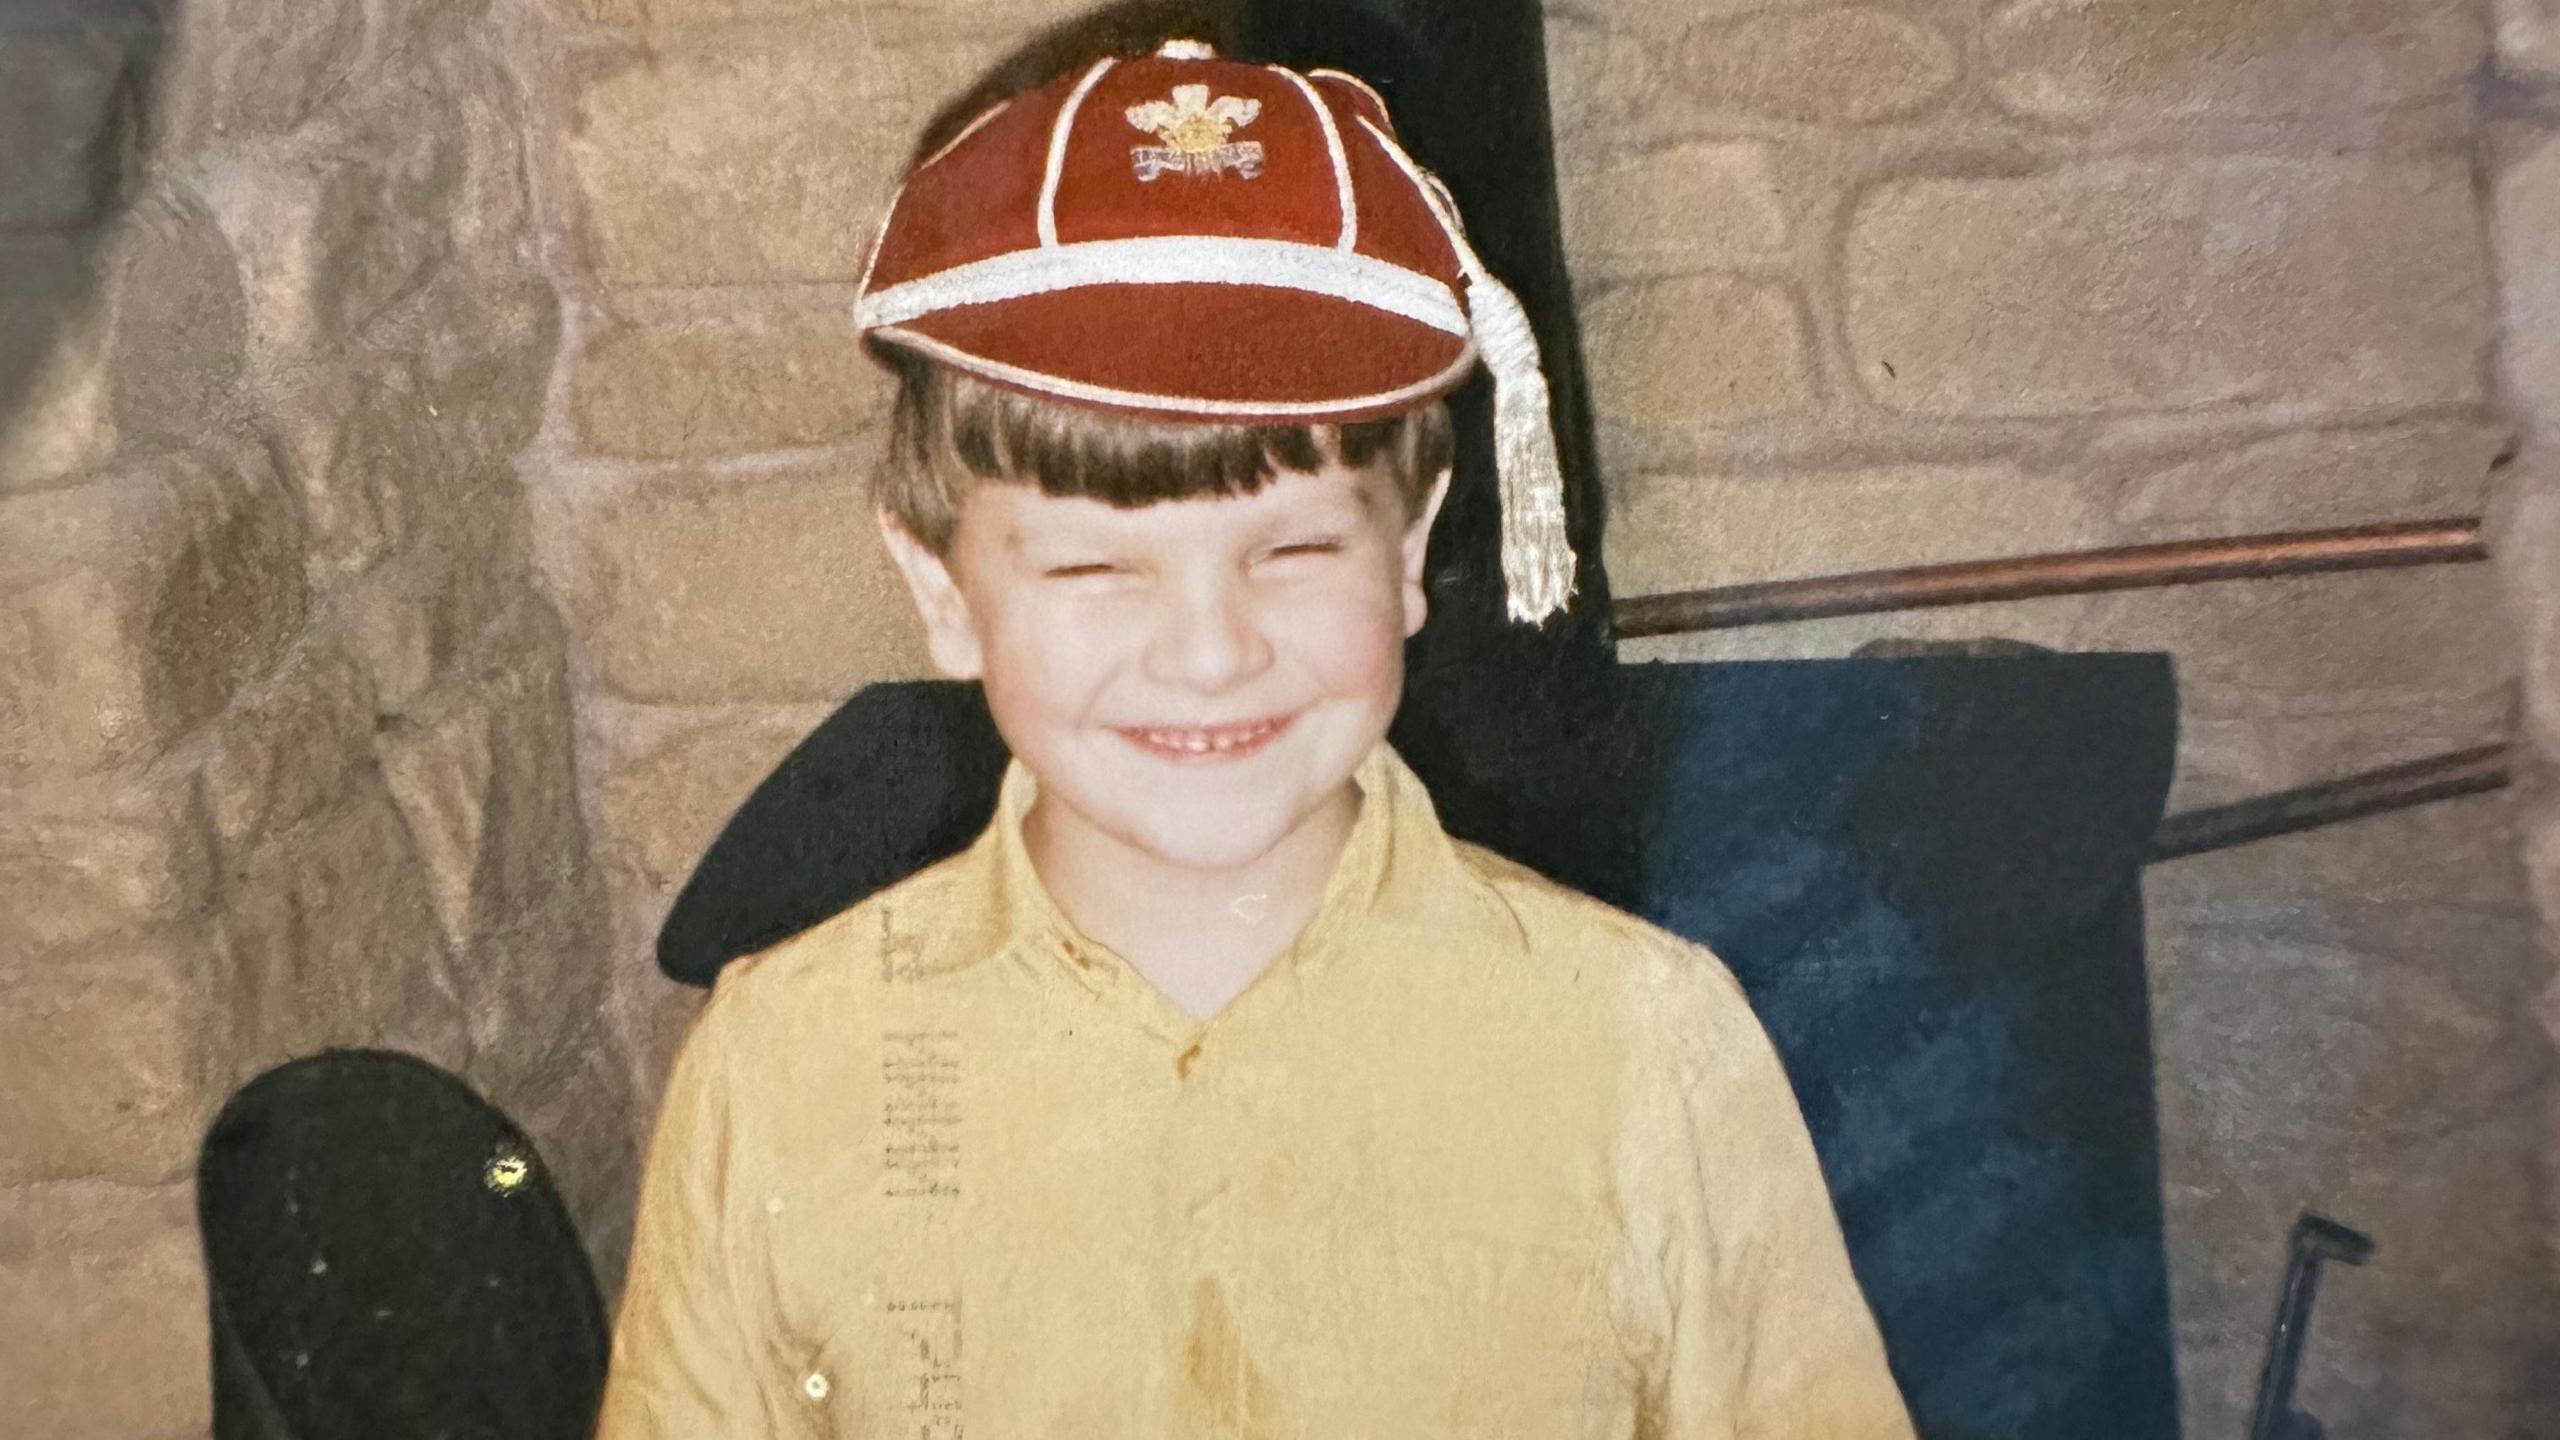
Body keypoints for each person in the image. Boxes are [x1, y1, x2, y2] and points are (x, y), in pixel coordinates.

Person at [596, 26, 1916, 1439]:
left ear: (1411, 548)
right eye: (1096, 569)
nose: (1213, 652)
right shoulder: (780, 1065)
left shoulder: (1647, 1046)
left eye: (1291, 553)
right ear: (942, 590)